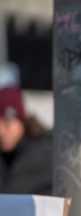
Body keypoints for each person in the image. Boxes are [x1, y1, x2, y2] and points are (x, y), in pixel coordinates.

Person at [0, 65, 52, 195]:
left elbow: (12, 193)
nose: (1, 131)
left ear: (22, 123)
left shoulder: (41, 154)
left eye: (7, 123)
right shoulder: (6, 156)